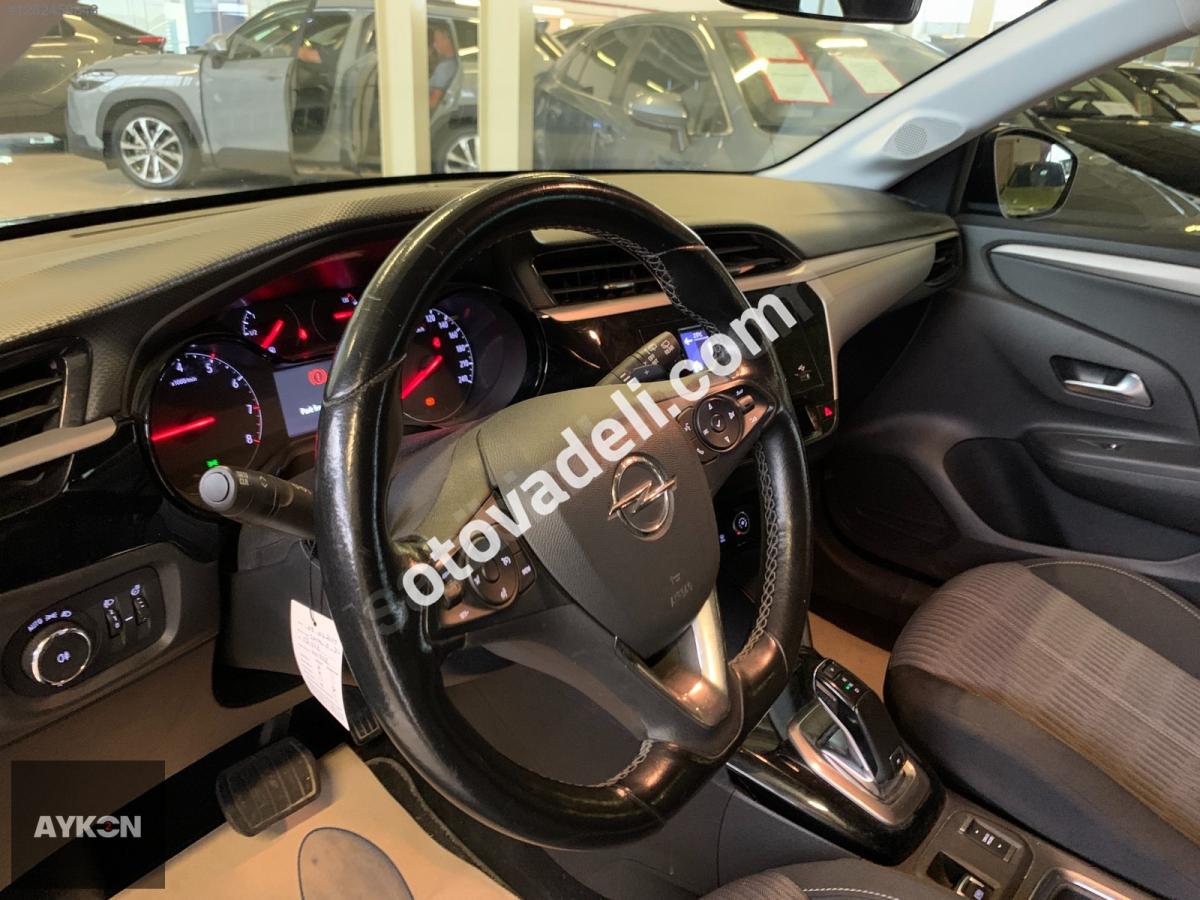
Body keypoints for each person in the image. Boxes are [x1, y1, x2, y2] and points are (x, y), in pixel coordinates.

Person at [429, 22, 458, 111]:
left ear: (447, 40)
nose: (434, 45)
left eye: (436, 40)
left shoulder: (445, 67)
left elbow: (433, 103)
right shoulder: (453, 63)